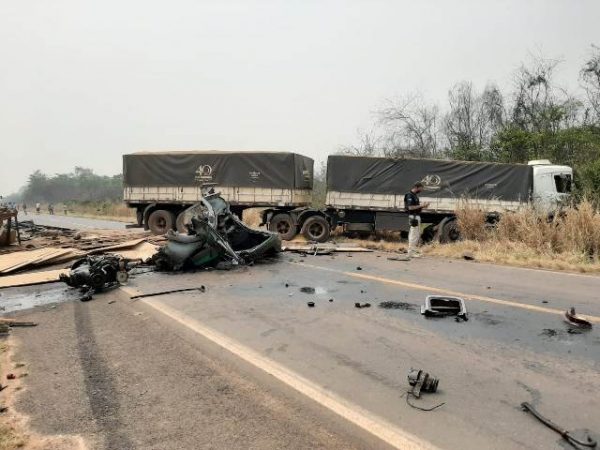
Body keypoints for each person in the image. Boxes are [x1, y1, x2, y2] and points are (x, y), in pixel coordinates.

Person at [404, 182, 430, 258]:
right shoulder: (409, 195)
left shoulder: (415, 195)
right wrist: (421, 205)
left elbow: (416, 207)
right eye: (421, 188)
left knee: (416, 234)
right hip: (413, 217)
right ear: (416, 187)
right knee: (413, 235)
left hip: (416, 216)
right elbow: (410, 207)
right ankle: (411, 252)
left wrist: (423, 206)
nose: (421, 190)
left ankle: (413, 251)